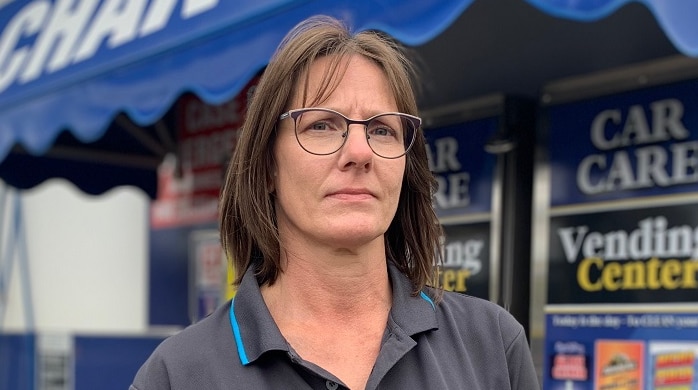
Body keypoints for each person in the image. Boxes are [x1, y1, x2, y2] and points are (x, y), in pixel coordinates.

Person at [131, 15, 540, 390]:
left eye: (382, 130)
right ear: (268, 165)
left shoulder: (492, 344)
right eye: (322, 125)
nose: (360, 152)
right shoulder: (177, 374)